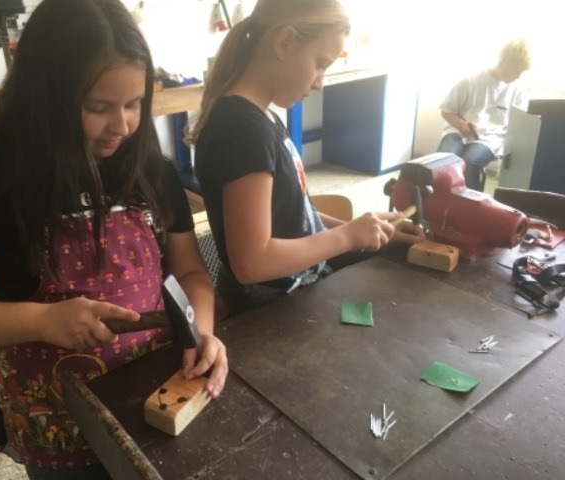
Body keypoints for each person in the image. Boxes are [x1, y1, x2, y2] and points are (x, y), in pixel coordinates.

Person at [0, 0, 228, 478]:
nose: (122, 126)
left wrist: (202, 332)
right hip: (57, 419)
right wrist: (43, 320)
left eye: (134, 104)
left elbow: (190, 271)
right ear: (45, 98)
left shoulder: (152, 171)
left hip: (154, 392)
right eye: (98, 107)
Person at [188, 0, 425, 317]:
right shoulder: (243, 131)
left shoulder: (263, 118)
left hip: (298, 285)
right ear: (284, 42)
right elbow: (251, 263)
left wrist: (365, 230)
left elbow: (297, 214)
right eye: (320, 63)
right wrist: (347, 236)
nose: (319, 82)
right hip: (270, 309)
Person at [437, 38, 532, 191]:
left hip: (491, 138)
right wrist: (461, 124)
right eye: (516, 71)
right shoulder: (470, 81)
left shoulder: (518, 90)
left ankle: (473, 203)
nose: (518, 77)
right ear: (502, 63)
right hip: (457, 130)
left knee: (470, 162)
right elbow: (446, 110)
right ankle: (442, 200)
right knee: (445, 161)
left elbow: (518, 123)